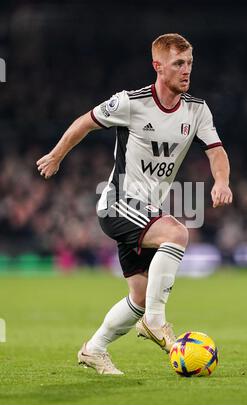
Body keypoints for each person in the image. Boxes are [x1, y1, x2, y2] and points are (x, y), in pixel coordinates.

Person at [36, 33, 233, 375]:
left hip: (146, 211)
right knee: (177, 232)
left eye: (189, 63)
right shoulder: (131, 102)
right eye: (178, 64)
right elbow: (84, 122)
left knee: (139, 299)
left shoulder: (197, 109)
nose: (186, 70)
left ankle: (93, 349)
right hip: (117, 204)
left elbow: (216, 150)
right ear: (158, 66)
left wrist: (222, 181)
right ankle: (157, 323)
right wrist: (56, 156)